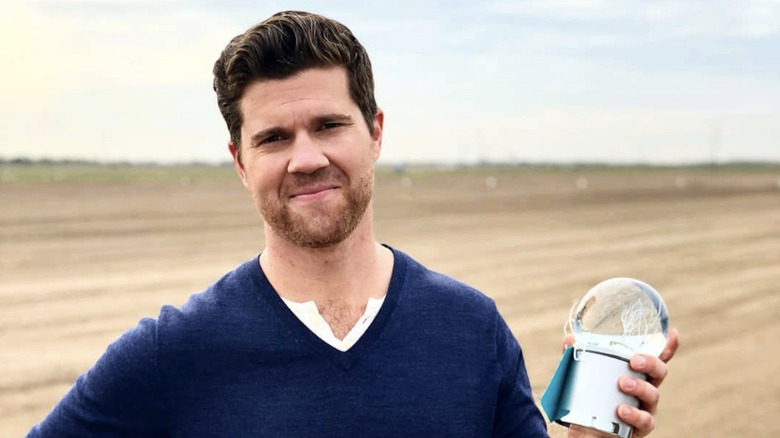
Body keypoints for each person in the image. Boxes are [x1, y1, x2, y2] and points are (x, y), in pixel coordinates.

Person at [27, 10, 679, 438]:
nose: (306, 158)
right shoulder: (174, 352)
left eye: (329, 125)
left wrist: (597, 431)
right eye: (274, 137)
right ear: (239, 161)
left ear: (375, 133)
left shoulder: (472, 332)